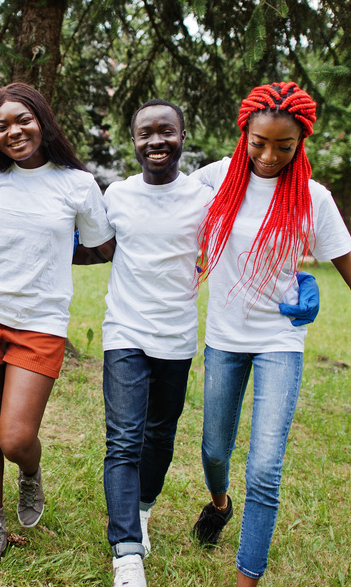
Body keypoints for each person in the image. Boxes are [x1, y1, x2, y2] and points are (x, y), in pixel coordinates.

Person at [189, 81, 351, 587]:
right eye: (258, 143)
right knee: (215, 450)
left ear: (300, 142)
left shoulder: (312, 197)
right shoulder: (213, 178)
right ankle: (219, 503)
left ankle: (247, 578)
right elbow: (159, 216)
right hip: (225, 337)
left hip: (281, 339)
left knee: (264, 467)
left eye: (284, 147)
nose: (268, 156)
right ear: (244, 133)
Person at [100, 99, 318, 587]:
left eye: (168, 131)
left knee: (160, 434)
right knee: (123, 437)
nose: (157, 141)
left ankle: (142, 511)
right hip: (124, 330)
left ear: (183, 135)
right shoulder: (115, 194)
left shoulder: (207, 189)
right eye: (145, 133)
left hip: (178, 334)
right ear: (132, 139)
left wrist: (298, 277)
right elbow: (92, 242)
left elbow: (260, 205)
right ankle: (126, 551)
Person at [0, 83, 115, 577]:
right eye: (1, 126)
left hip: (40, 324)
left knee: (15, 437)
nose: (13, 132)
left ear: (42, 119)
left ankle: (29, 471)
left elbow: (102, 246)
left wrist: (48, 259)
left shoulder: (77, 184)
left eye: (21, 120)